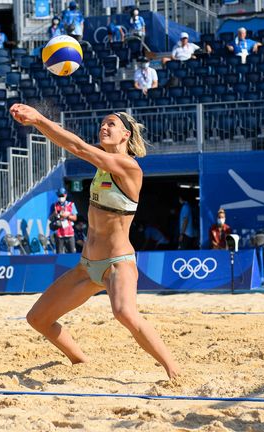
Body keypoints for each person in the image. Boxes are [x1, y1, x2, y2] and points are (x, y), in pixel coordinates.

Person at [10, 104, 180, 379]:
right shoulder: (102, 160)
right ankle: (80, 361)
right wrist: (39, 125)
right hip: (87, 266)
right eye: (102, 122)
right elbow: (70, 143)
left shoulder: (128, 167)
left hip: (117, 263)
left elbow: (77, 147)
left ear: (125, 135)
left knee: (125, 313)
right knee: (37, 319)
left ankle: (175, 371)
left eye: (111, 124)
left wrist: (39, 118)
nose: (104, 127)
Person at [51, 187, 78, 254]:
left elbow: (75, 218)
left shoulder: (71, 205)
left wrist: (67, 216)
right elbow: (50, 218)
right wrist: (54, 214)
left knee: (72, 254)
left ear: (65, 195)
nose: (60, 197)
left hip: (69, 233)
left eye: (62, 195)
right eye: (59, 196)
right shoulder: (55, 205)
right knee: (59, 255)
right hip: (59, 234)